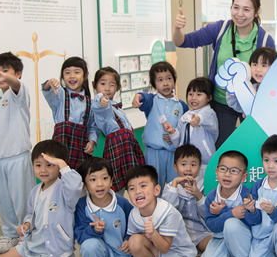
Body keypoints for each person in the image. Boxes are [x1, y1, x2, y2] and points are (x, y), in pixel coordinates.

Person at [173, 0, 275, 147]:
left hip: (251, 104)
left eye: (246, 9)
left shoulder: (265, 40)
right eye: (236, 7)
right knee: (220, 148)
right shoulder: (220, 29)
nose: (239, 14)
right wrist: (177, 29)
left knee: (256, 146)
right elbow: (183, 41)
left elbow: (272, 77)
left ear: (256, 12)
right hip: (221, 103)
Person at [0, 52, 36, 254]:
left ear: (18, 74)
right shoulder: (1, 96)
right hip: (0, 158)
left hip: (18, 156)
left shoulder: (19, 93)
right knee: (3, 201)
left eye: (5, 71)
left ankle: (27, 235)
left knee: (22, 201)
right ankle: (10, 234)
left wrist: (7, 78)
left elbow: (15, 84)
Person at [125, 164, 197, 257]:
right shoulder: (134, 214)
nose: (137, 191)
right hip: (156, 253)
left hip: (176, 253)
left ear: (156, 190)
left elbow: (165, 248)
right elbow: (133, 235)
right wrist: (127, 242)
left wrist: (153, 233)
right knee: (133, 241)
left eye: (143, 186)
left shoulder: (167, 212)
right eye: (132, 188)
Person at [74, 156, 144, 257]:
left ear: (111, 181)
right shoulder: (82, 206)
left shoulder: (122, 203)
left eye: (105, 178)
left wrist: (128, 239)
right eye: (93, 179)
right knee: (89, 245)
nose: (100, 184)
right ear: (85, 185)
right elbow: (81, 236)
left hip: (120, 250)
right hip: (98, 249)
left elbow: (136, 225)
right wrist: (94, 231)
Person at [197, 150, 256, 257]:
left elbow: (253, 223)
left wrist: (224, 213)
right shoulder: (212, 196)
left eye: (234, 171)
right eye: (223, 169)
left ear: (244, 177)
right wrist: (230, 213)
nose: (227, 174)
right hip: (220, 240)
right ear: (216, 171)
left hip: (242, 242)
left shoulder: (247, 195)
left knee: (231, 224)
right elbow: (212, 226)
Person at [131, 62, 188, 190]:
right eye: (160, 80)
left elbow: (185, 129)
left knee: (175, 186)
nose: (165, 83)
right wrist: (138, 96)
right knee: (153, 185)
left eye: (169, 78)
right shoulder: (152, 101)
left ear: (174, 80)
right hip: (153, 152)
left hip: (174, 153)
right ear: (154, 84)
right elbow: (143, 97)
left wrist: (175, 135)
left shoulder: (181, 105)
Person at [90, 67, 145, 191]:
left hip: (128, 145)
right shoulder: (101, 105)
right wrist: (101, 100)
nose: (107, 88)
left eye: (112, 85)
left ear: (118, 87)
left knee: (133, 180)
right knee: (116, 182)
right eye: (103, 84)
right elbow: (98, 104)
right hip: (116, 145)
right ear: (94, 85)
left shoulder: (117, 108)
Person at [43, 57, 98, 169]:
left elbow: (92, 126)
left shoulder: (90, 103)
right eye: (67, 73)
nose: (72, 76)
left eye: (77, 72)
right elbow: (47, 89)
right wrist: (49, 83)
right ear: (62, 76)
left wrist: (92, 141)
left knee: (80, 174)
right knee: (60, 173)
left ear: (85, 75)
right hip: (60, 144)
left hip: (81, 147)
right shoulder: (60, 95)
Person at [164, 77, 218, 183]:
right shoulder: (185, 117)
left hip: (204, 162)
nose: (193, 98)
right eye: (190, 94)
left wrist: (198, 119)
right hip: (186, 163)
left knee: (204, 187)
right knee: (187, 187)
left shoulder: (210, 113)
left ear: (209, 97)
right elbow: (177, 143)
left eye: (199, 94)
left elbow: (207, 120)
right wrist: (173, 132)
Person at [162, 144, 213, 252]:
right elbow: (168, 212)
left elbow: (208, 215)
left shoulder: (205, 186)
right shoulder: (170, 187)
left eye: (193, 164)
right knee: (166, 247)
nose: (188, 169)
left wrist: (199, 196)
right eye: (183, 164)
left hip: (201, 232)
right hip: (178, 233)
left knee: (212, 247)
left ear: (199, 167)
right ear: (175, 167)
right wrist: (175, 184)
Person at [225, 46, 277, 116]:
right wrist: (233, 90)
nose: (258, 69)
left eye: (264, 65)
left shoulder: (276, 92)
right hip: (250, 122)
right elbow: (237, 105)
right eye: (255, 64)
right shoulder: (250, 88)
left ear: (274, 67)